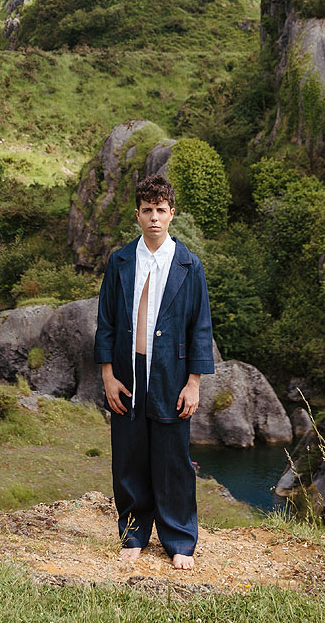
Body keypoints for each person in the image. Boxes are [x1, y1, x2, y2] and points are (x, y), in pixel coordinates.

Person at [94, 174, 215, 570]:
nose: (154, 218)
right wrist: (108, 376)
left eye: (161, 210)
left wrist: (193, 383)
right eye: (147, 211)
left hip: (171, 374)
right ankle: (133, 534)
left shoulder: (188, 264)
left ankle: (179, 540)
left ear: (172, 214)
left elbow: (200, 327)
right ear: (138, 215)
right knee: (129, 456)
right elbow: (106, 321)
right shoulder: (121, 261)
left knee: (172, 458)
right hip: (128, 372)